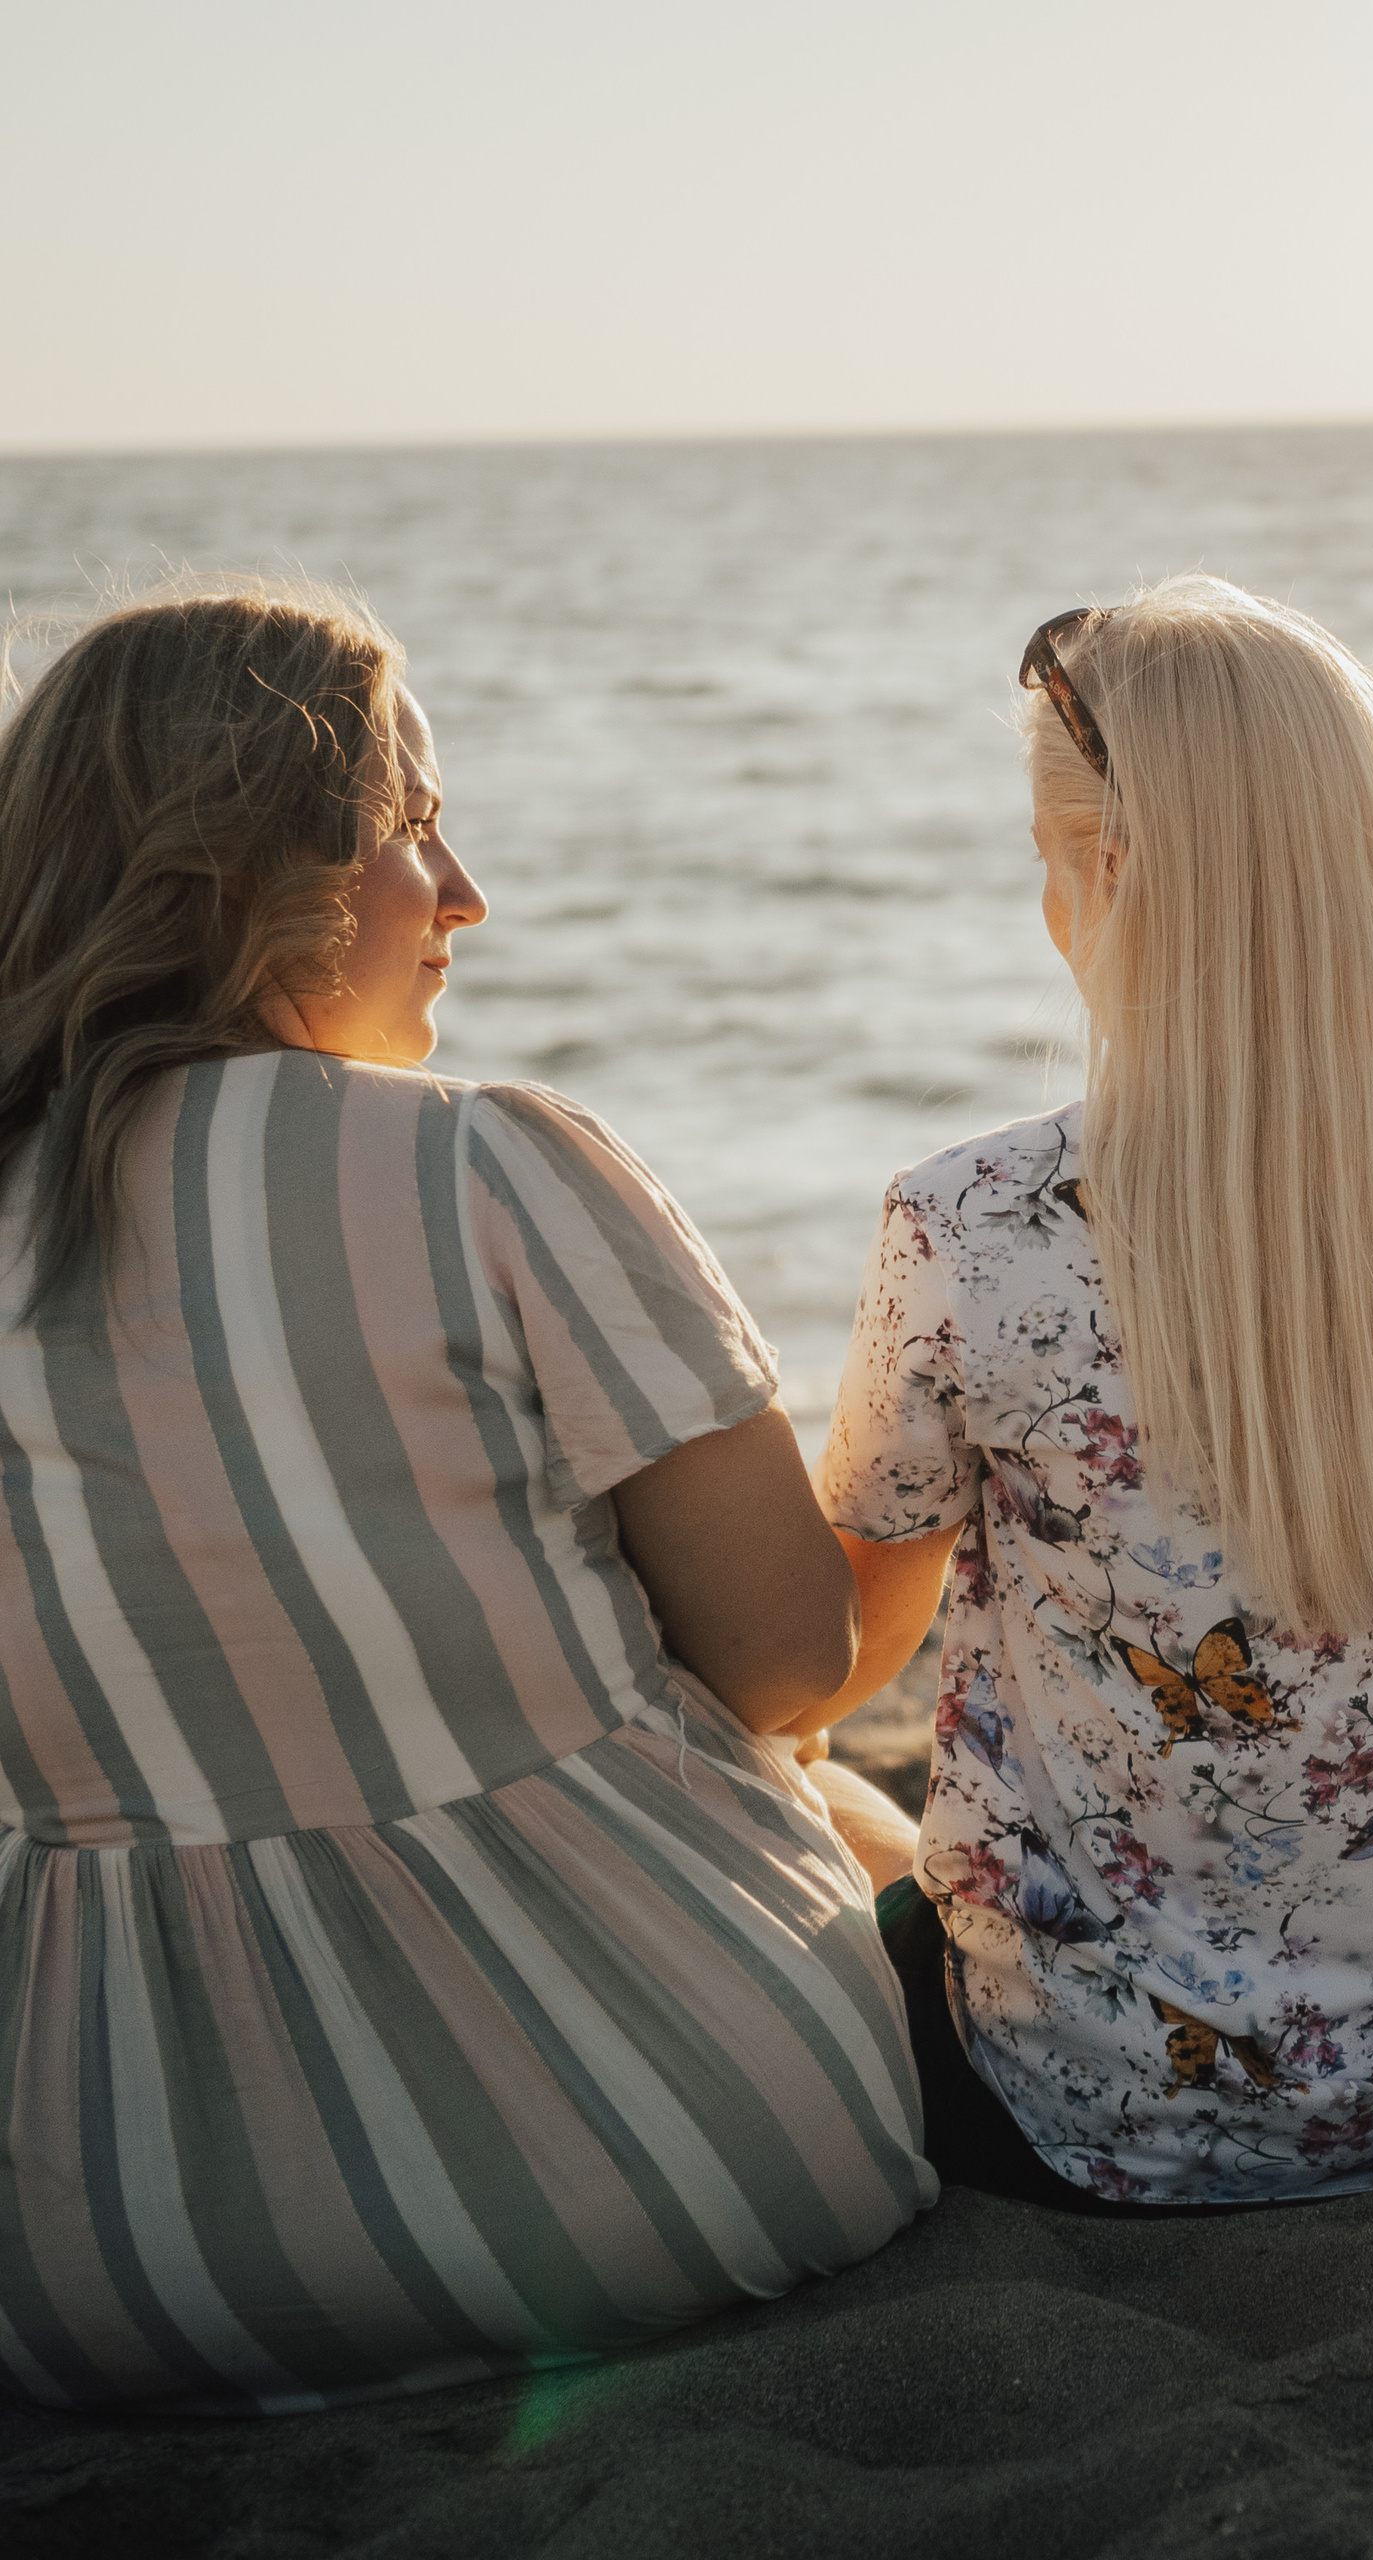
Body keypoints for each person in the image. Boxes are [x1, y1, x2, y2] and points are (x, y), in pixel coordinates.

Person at [0, 583, 930, 2415]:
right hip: (676, 2152)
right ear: (261, 868)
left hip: (103, 2244)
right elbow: (785, 1661)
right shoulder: (485, 1166)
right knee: (868, 1826)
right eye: (416, 829)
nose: (468, 893)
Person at [815, 576, 1373, 2206]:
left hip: (1086, 2106)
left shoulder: (974, 1229)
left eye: (1046, 858)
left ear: (1109, 875)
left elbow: (838, 1650)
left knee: (799, 1784)